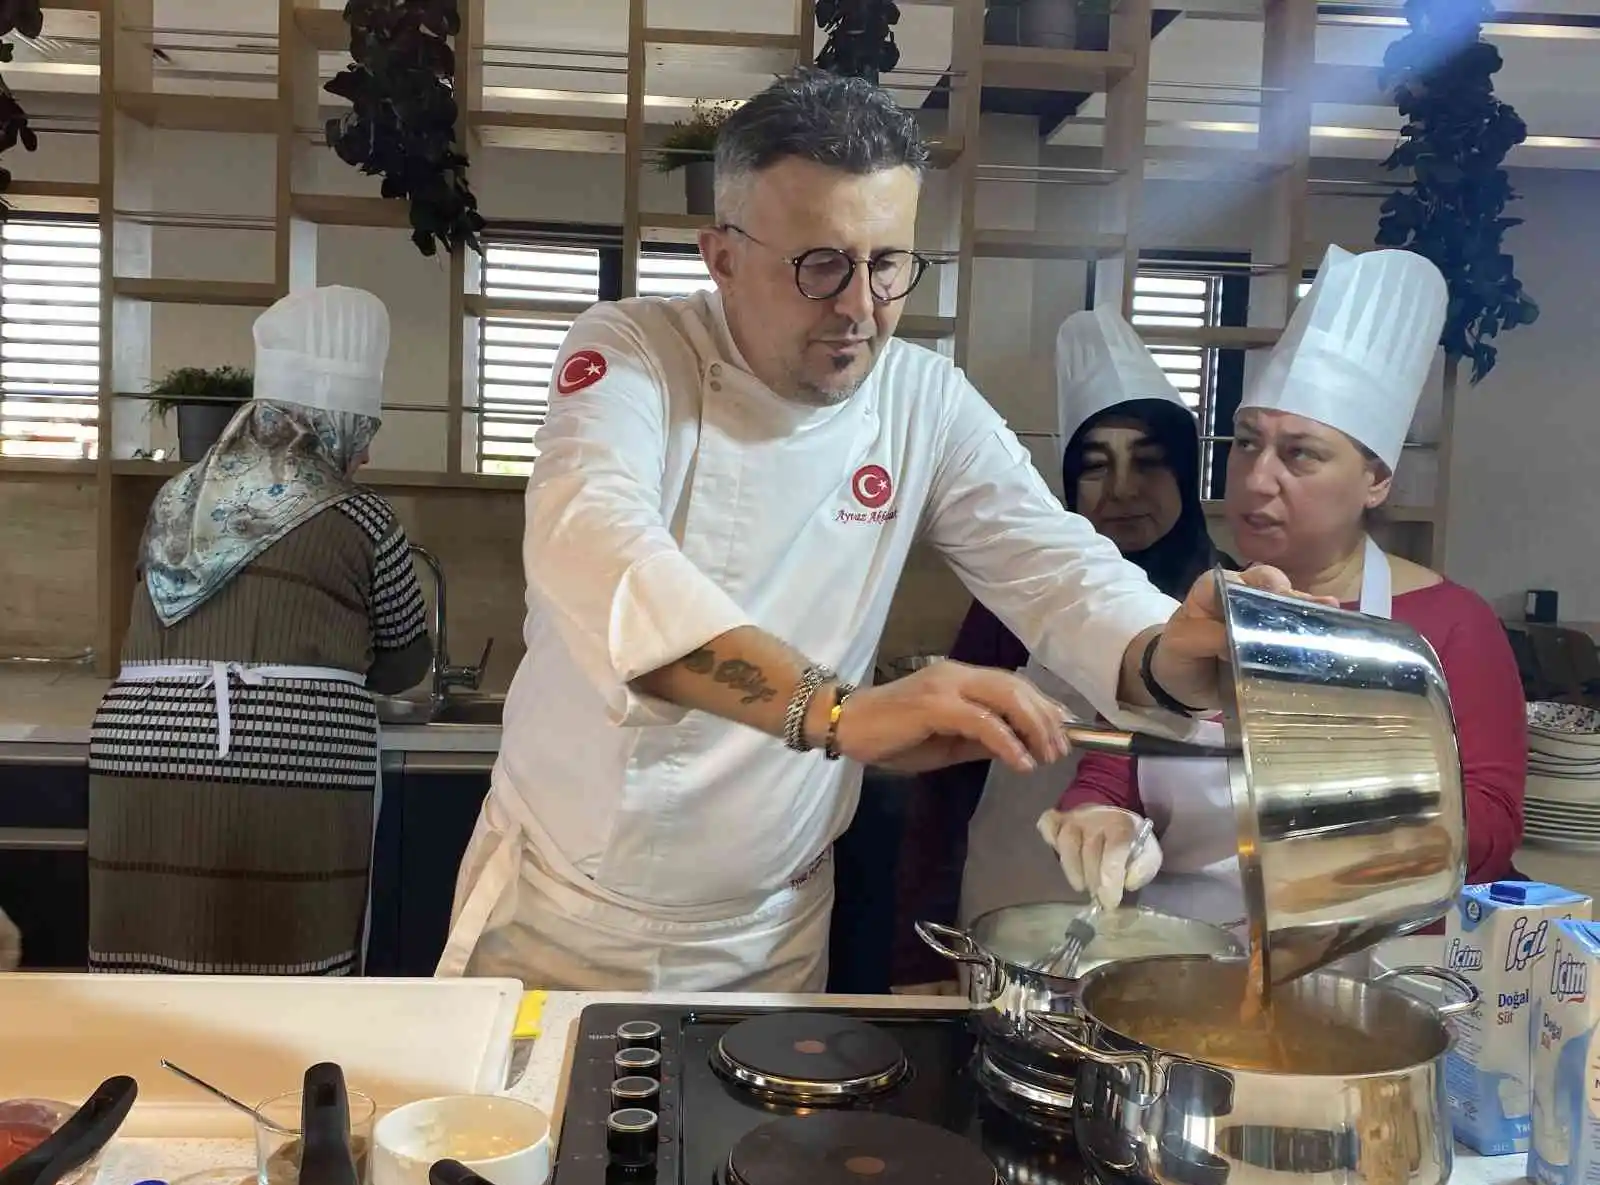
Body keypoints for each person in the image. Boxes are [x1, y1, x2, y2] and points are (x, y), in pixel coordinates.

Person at [438, 70, 1309, 993]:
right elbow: (599, 553)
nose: (860, 307)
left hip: (771, 935)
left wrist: (1165, 651)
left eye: (887, 262)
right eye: (819, 265)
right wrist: (842, 713)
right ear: (721, 257)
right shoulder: (633, 351)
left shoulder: (921, 400)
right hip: (562, 921)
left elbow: (1054, 566)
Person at [1040, 246, 1527, 926]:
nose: (1257, 478)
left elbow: (1494, 830)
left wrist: (1332, 813)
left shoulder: (1450, 626)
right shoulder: (1199, 606)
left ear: (1376, 479)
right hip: (1175, 956)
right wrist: (1096, 817)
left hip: (1361, 973)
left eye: (1300, 454)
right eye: (1245, 443)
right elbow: (1117, 762)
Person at [87, 285, 432, 975]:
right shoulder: (362, 519)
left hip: (136, 758)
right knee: (281, 989)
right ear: (336, 427)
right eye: (362, 435)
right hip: (283, 766)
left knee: (149, 988)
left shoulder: (174, 497)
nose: (361, 458)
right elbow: (406, 664)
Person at [939, 307, 1226, 932]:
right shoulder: (1011, 601)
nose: (1121, 489)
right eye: (1095, 465)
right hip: (1009, 906)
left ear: (1185, 472)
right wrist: (914, 954)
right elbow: (947, 780)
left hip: (1180, 926)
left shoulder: (1223, 606)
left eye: (1148, 462)